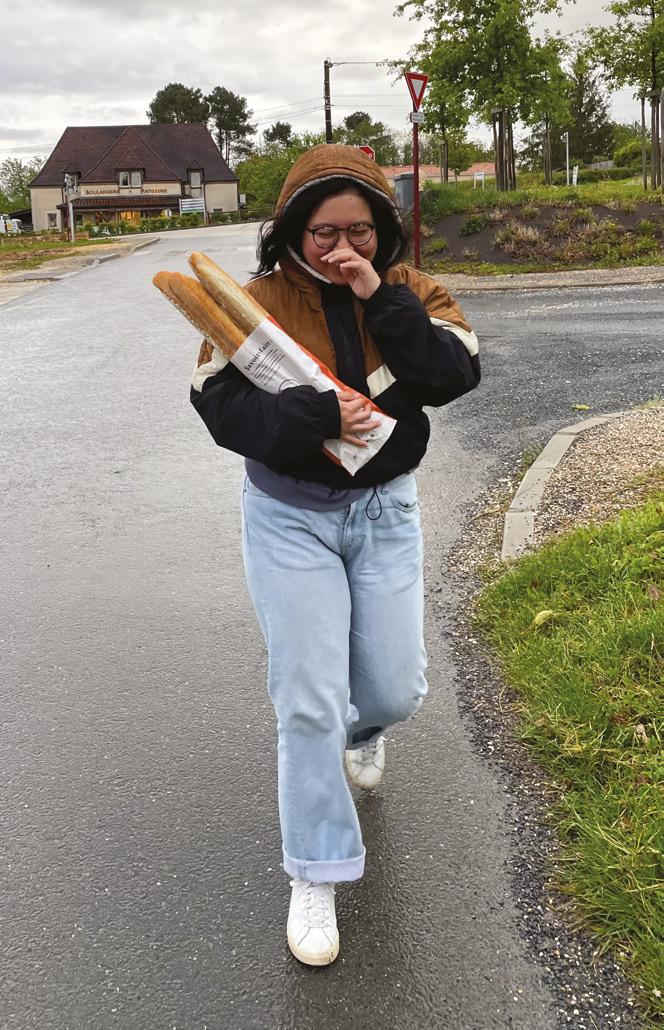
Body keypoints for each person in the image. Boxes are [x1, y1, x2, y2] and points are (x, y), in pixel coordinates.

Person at [190, 145, 480, 966]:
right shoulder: (251, 303)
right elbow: (216, 407)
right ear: (292, 230)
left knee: (395, 686)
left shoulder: (413, 290)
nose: (342, 246)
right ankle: (314, 869)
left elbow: (453, 374)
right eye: (324, 233)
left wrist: (378, 298)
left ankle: (363, 729)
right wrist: (314, 416)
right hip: (289, 519)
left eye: (360, 230)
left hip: (386, 511)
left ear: (382, 228)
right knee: (307, 700)